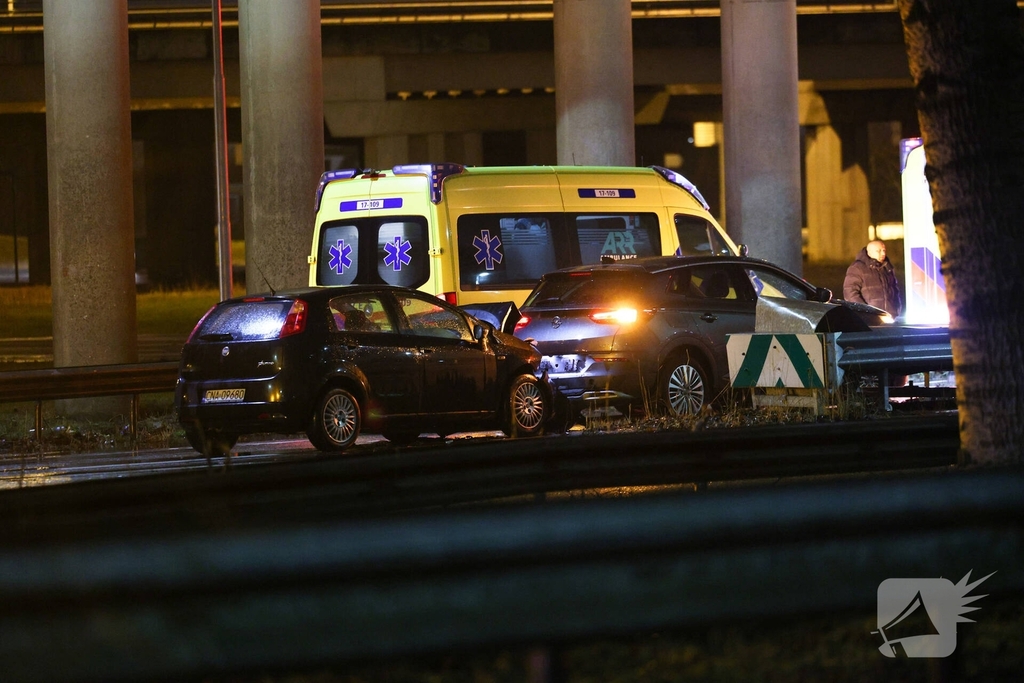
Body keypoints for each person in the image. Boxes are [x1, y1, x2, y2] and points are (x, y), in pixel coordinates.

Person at [843, 239, 902, 318]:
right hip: (869, 319)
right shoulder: (857, 268)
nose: (883, 253)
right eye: (878, 251)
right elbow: (850, 293)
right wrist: (865, 312)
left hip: (890, 317)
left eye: (884, 250)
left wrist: (896, 309)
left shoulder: (887, 267)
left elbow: (895, 289)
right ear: (869, 252)